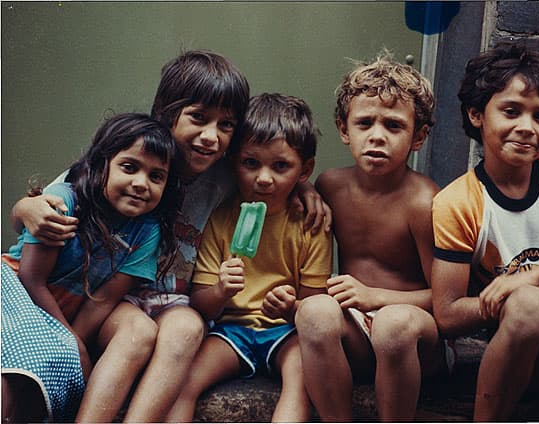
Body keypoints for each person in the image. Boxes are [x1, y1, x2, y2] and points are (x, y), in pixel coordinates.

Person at [10, 50, 331, 422]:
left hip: (177, 302)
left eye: (226, 126)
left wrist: (305, 191)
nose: (210, 137)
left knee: (185, 329)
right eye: (198, 118)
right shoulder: (135, 155)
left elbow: (270, 176)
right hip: (116, 301)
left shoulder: (228, 177)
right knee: (136, 334)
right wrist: (24, 207)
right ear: (167, 111)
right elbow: (53, 202)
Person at [430, 42, 539, 422]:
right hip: (531, 342)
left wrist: (538, 274)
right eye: (511, 111)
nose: (527, 127)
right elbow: (448, 314)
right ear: (477, 114)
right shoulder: (458, 202)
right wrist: (519, 295)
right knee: (533, 304)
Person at [1, 112, 181, 423]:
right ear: (103, 164)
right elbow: (31, 278)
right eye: (129, 167)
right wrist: (71, 343)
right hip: (15, 294)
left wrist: (76, 345)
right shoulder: (63, 202)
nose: (141, 184)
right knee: (17, 375)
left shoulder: (147, 231)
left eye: (156, 176)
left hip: (57, 314)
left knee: (54, 364)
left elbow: (104, 300)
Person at [295, 51, 445, 421]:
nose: (377, 136)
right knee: (313, 312)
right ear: (344, 130)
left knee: (393, 324)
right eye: (364, 124)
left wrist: (375, 296)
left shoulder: (424, 202)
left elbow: (447, 300)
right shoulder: (330, 186)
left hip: (414, 336)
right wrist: (303, 188)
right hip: (357, 334)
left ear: (418, 137)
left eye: (393, 126)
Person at [165, 93, 333, 422]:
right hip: (231, 331)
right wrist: (221, 290)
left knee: (299, 382)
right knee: (183, 383)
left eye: (281, 166)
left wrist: (290, 306)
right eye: (251, 163)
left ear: (305, 170)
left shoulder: (311, 225)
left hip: (286, 333)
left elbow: (315, 308)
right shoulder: (222, 218)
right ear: (233, 162)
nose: (264, 178)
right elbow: (201, 304)